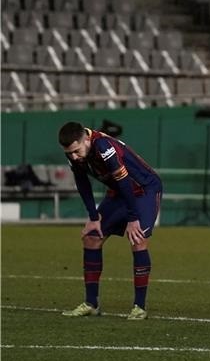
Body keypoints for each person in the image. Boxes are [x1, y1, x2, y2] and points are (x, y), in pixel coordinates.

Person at [58, 121, 162, 320]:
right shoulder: (74, 152)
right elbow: (82, 182)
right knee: (91, 237)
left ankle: (139, 307)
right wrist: (93, 217)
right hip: (119, 192)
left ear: (86, 139)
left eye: (76, 151)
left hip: (143, 189)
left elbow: (125, 181)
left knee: (138, 238)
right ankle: (91, 304)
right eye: (69, 153)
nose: (74, 156)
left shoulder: (104, 147)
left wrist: (133, 218)